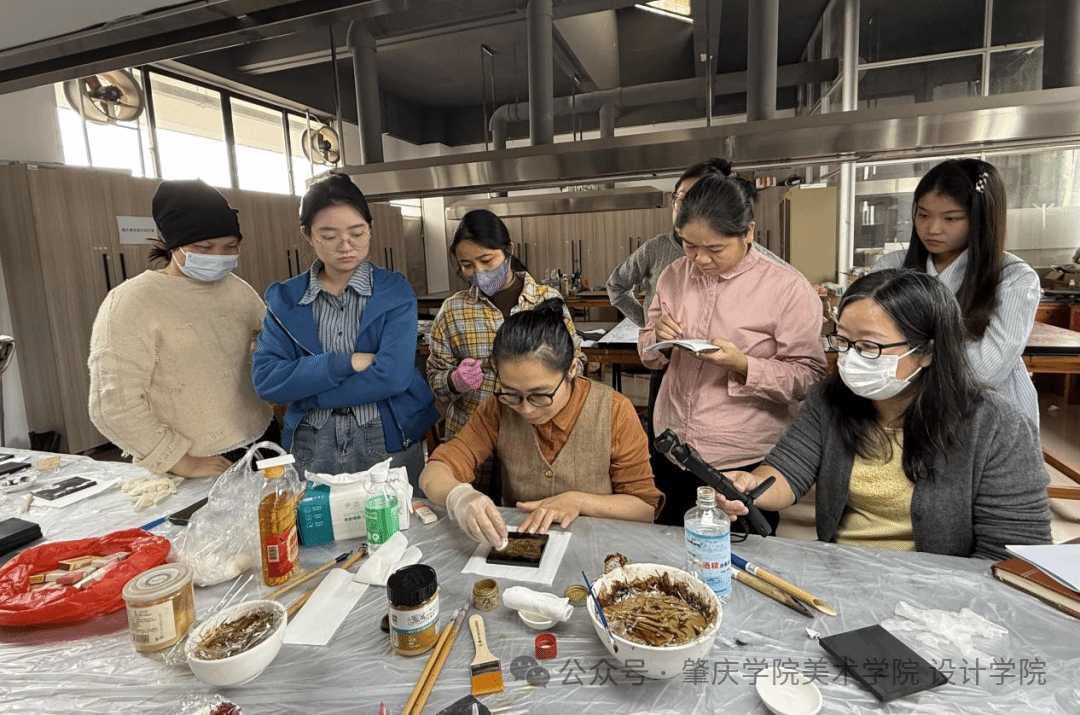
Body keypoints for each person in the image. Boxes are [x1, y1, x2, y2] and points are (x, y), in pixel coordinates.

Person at [717, 270, 1051, 560]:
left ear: (927, 351)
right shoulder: (829, 401)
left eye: (869, 347)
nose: (851, 359)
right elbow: (788, 470)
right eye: (843, 342)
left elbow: (1011, 552)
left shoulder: (998, 426)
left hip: (946, 591)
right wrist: (751, 485)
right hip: (845, 571)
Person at [639, 165, 828, 527]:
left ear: (748, 232)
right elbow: (647, 348)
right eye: (689, 245)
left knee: (737, 554)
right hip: (671, 447)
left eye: (715, 248)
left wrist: (743, 365)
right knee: (667, 551)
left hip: (740, 461)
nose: (700, 259)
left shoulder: (787, 288)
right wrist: (659, 340)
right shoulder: (673, 275)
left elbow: (809, 377)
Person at [419, 299, 663, 548]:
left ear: (571, 369)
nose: (526, 409)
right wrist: (460, 497)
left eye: (540, 395)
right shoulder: (498, 410)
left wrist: (579, 502)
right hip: (523, 547)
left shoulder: (613, 411)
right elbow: (435, 471)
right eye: (512, 394)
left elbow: (644, 509)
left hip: (596, 547)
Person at [251, 174, 438, 485]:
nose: (346, 246)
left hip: (383, 436)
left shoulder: (394, 292)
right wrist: (346, 362)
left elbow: (393, 376)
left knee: (395, 515)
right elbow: (268, 381)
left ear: (370, 228)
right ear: (307, 234)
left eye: (357, 233)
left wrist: (310, 396)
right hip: (311, 441)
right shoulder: (285, 300)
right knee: (313, 515)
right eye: (329, 236)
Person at [89, 179, 275, 477]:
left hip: (263, 437)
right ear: (173, 244)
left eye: (230, 246)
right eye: (204, 247)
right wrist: (178, 460)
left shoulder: (237, 289)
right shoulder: (131, 302)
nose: (219, 256)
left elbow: (269, 347)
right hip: (197, 459)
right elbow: (113, 405)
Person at [874, 159, 1040, 426]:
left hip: (988, 414)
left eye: (951, 218)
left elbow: (986, 370)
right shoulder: (890, 267)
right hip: (909, 411)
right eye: (923, 215)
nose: (932, 229)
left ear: (980, 219)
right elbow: (872, 346)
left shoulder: (1013, 278)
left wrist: (904, 360)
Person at [426, 209, 584, 441]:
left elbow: (576, 361)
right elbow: (435, 379)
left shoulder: (546, 300)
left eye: (486, 260)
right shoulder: (453, 311)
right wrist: (454, 381)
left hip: (536, 434)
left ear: (509, 250)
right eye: (467, 265)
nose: (479, 272)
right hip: (473, 434)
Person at [606, 157, 729, 440]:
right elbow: (616, 285)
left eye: (699, 197)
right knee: (661, 442)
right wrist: (647, 324)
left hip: (720, 372)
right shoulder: (657, 249)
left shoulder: (740, 253)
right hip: (666, 364)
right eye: (681, 198)